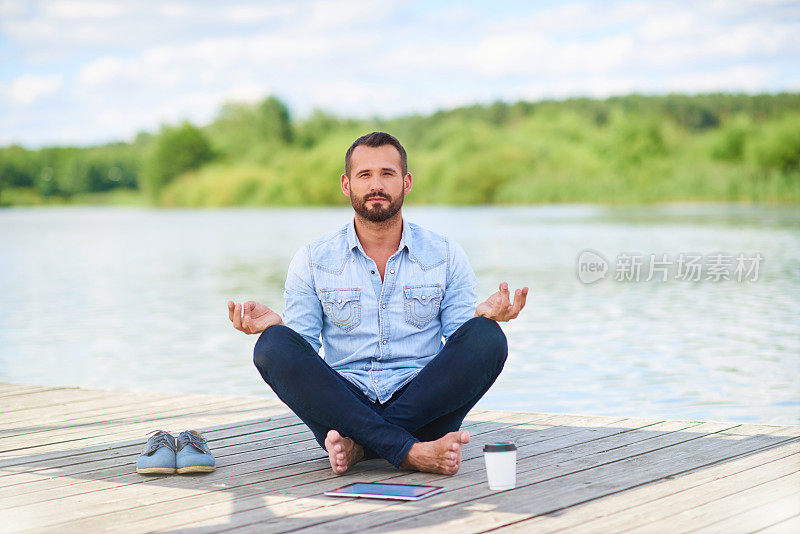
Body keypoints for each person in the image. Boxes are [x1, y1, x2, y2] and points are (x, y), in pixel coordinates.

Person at [227, 132, 528, 475]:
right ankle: (409, 451)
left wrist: (482, 318)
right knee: (273, 346)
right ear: (346, 184)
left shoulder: (445, 254)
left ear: (406, 182)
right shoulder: (312, 259)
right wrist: (277, 329)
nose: (376, 185)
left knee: (487, 338)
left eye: (387, 173)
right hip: (344, 406)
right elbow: (303, 355)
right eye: (364, 175)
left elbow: (459, 348)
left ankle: (361, 447)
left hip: (422, 406)